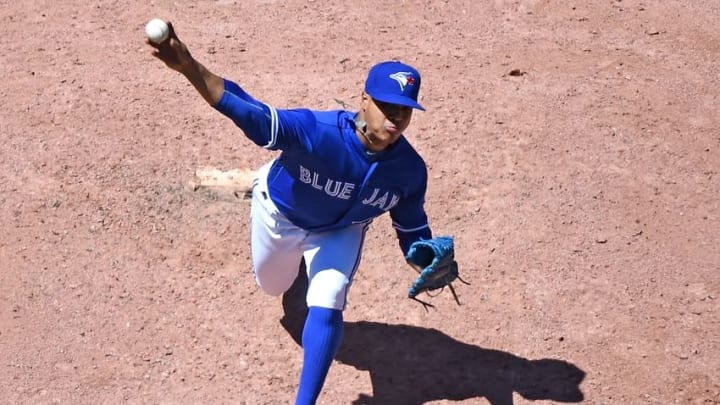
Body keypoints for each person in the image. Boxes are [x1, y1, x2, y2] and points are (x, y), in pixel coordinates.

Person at [147, 22, 436, 405]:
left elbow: (413, 232)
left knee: (329, 295)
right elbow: (243, 106)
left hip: (341, 230)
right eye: (387, 106)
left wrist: (426, 258)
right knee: (274, 285)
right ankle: (278, 232)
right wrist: (190, 68)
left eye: (405, 110)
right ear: (364, 99)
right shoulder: (316, 132)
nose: (395, 119)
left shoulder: (409, 170)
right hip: (279, 212)